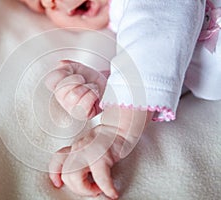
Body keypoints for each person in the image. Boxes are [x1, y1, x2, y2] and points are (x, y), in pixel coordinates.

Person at [19, 0, 221, 199]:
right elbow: (166, 61)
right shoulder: (125, 24)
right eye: (41, 6)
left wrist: (116, 129)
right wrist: (108, 87)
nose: (49, 3)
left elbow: (156, 22)